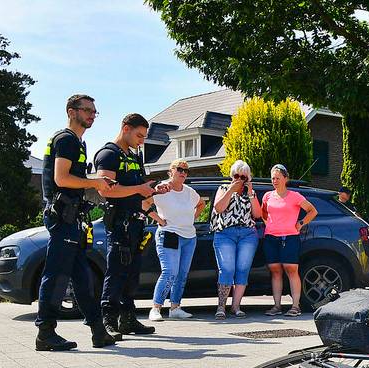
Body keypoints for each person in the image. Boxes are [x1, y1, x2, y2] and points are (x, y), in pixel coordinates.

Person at [34, 93, 119, 352]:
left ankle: (98, 331)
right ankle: (45, 333)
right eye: (87, 110)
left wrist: (95, 182)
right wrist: (95, 182)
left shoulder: (77, 143)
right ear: (72, 112)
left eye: (94, 111)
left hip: (72, 219)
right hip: (63, 218)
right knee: (56, 275)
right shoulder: (67, 140)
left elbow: (72, 180)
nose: (92, 115)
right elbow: (61, 179)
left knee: (83, 278)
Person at [96, 113, 165, 336]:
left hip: (136, 222)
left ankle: (127, 319)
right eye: (139, 135)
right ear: (125, 128)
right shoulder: (108, 154)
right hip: (119, 223)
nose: (142, 141)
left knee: (132, 274)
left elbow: (140, 189)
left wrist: (154, 190)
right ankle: (108, 320)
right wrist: (138, 189)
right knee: (116, 272)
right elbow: (105, 190)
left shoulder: (134, 157)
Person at [147, 160, 205, 321]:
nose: (183, 172)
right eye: (179, 169)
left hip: (189, 237)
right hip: (169, 234)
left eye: (186, 170)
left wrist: (192, 218)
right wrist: (159, 220)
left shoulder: (189, 192)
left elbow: (201, 204)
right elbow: (144, 203)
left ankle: (175, 307)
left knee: (182, 274)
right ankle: (156, 308)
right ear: (170, 171)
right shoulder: (162, 189)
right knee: (170, 271)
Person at [260, 163, 317, 316]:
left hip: (290, 237)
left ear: (286, 178)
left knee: (291, 269)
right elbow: (263, 213)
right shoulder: (267, 196)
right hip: (271, 237)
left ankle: (295, 306)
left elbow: (312, 211)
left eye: (278, 178)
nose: (275, 181)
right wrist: (270, 224)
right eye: (273, 178)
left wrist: (301, 223)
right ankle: (277, 306)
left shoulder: (295, 196)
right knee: (275, 270)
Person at [211, 159, 263, 319]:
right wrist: (231, 190)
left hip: (247, 234)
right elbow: (219, 208)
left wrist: (251, 192)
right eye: (236, 176)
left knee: (242, 269)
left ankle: (236, 306)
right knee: (227, 269)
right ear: (232, 175)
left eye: (243, 177)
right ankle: (221, 307)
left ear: (248, 178)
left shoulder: (250, 193)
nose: (239, 179)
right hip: (225, 233)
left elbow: (257, 214)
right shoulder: (223, 188)